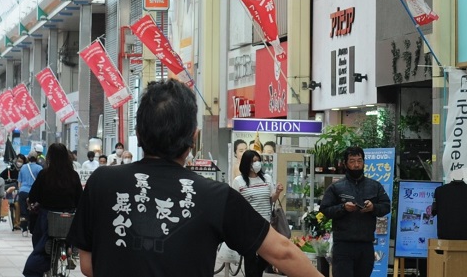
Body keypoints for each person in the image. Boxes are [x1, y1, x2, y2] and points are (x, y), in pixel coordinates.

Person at [68, 80, 321, 277]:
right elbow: (283, 252)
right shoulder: (217, 196)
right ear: (194, 137)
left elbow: (88, 265)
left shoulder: (101, 182)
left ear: (139, 133)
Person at [317, 146, 392, 277]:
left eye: (359, 161)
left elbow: (386, 206)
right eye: (352, 161)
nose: (356, 165)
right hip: (343, 245)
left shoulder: (375, 186)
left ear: (364, 162)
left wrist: (373, 207)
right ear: (345, 163)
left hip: (366, 245)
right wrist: (343, 208)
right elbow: (325, 209)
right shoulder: (336, 187)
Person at [22, 143, 84, 277]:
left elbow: (33, 195)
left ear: (50, 157)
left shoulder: (45, 174)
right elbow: (80, 198)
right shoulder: (73, 175)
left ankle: (42, 260)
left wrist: (33, 202)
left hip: (47, 216)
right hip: (68, 216)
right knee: (69, 233)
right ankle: (69, 250)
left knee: (39, 242)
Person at [231, 149, 286, 277]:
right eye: (253, 161)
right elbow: (235, 204)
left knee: (266, 256)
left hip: (266, 224)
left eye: (258, 161)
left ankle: (256, 273)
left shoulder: (266, 178)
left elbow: (271, 199)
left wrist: (277, 192)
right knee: (250, 257)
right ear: (247, 163)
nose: (257, 164)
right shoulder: (239, 181)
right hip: (248, 225)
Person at [431, 166, 467, 241]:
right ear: (463, 177)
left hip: (445, 242)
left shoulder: (439, 191)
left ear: (451, 176)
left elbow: (433, 212)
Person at [16, 153, 43, 231]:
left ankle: (24, 229)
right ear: (36, 158)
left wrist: (20, 191)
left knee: (23, 211)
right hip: (33, 193)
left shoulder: (23, 167)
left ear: (28, 158)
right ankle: (32, 227)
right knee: (33, 210)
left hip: (23, 191)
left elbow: (19, 181)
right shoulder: (39, 168)